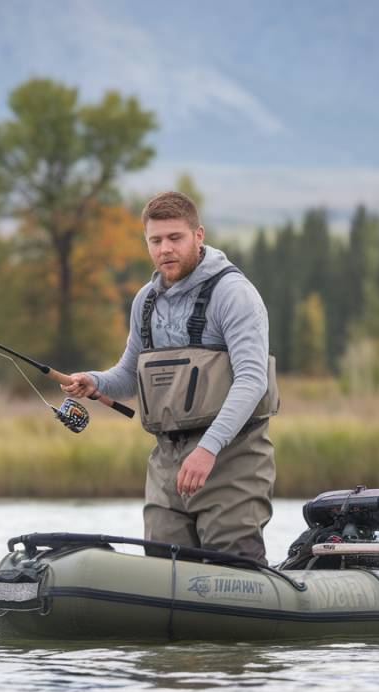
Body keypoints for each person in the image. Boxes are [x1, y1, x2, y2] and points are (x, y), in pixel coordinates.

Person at [62, 191, 278, 564]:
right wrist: (95, 382)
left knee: (233, 570)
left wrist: (207, 450)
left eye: (175, 238)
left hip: (232, 455)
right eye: (155, 240)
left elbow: (252, 380)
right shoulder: (145, 301)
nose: (165, 249)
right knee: (163, 568)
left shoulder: (234, 295)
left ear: (198, 235)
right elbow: (129, 376)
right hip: (167, 461)